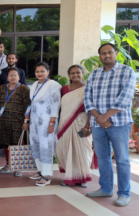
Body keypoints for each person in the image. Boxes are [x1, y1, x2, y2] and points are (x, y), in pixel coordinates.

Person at [84, 43, 135, 206]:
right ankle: (105, 188)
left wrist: (105, 117)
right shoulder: (94, 74)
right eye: (103, 53)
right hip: (98, 124)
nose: (106, 56)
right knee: (102, 157)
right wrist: (99, 118)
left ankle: (124, 193)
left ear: (116, 53)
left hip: (119, 123)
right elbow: (87, 98)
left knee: (122, 159)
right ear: (99, 56)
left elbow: (125, 97)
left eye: (109, 52)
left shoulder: (127, 71)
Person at [56, 65, 93, 188]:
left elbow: (92, 108)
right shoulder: (64, 89)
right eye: (72, 73)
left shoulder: (88, 88)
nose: (75, 75)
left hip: (83, 123)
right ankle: (69, 177)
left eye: (78, 72)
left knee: (83, 149)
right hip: (65, 123)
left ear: (83, 73)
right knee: (66, 148)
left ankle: (82, 178)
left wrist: (88, 125)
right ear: (69, 75)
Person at [0, 68, 31, 176]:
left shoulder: (24, 89)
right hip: (3, 121)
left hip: (18, 122)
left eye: (15, 75)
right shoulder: (2, 88)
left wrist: (26, 121)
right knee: (5, 144)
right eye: (10, 75)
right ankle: (8, 164)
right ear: (7, 77)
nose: (13, 77)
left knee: (17, 144)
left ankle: (18, 166)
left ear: (19, 77)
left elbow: (28, 106)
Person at [28, 62, 61, 186]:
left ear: (48, 71)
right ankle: (41, 170)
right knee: (36, 144)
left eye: (42, 71)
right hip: (34, 120)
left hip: (47, 121)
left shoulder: (53, 85)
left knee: (45, 145)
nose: (39, 74)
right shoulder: (35, 85)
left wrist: (52, 123)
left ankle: (47, 175)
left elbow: (55, 105)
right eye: (37, 72)